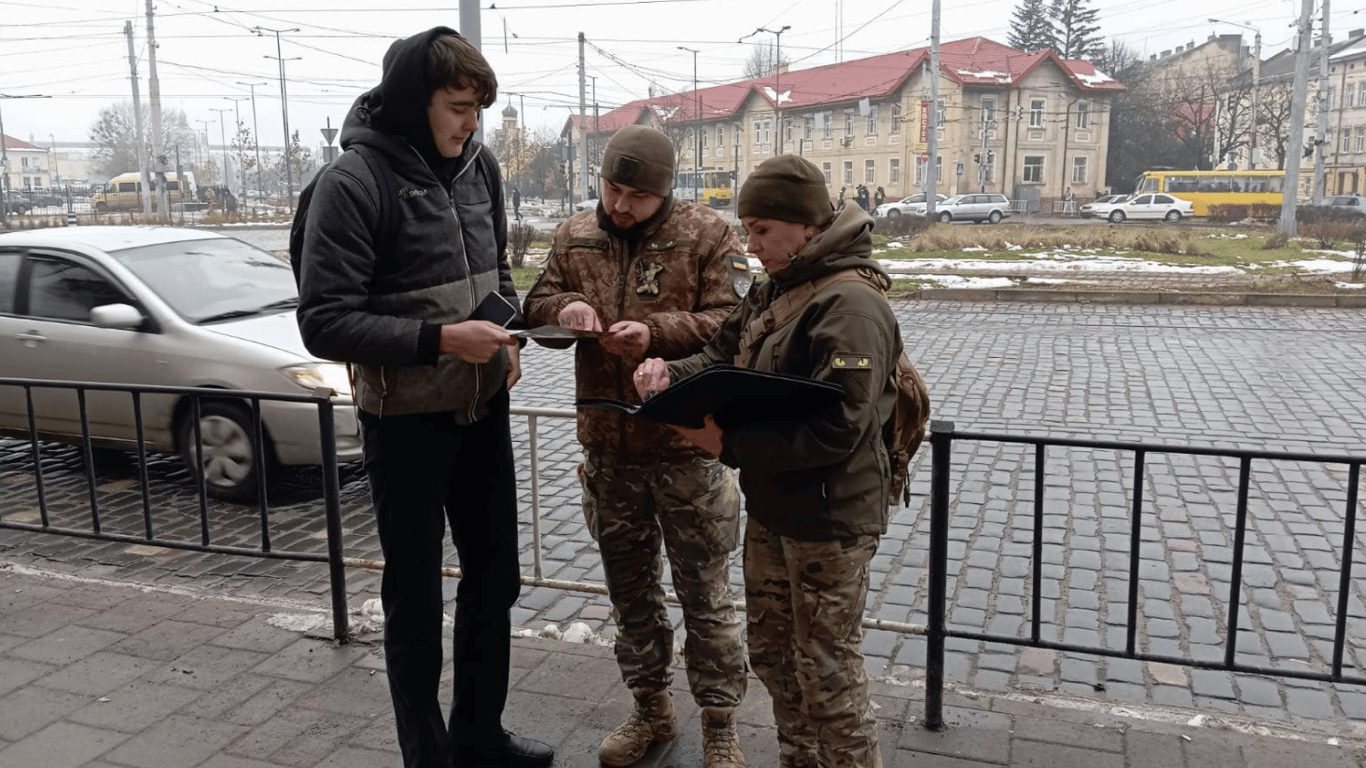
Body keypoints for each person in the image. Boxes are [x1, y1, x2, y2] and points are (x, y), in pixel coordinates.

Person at [295, 27, 553, 768]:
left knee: (495, 577)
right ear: (415, 100)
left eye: (478, 108)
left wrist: (507, 338)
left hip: (482, 408)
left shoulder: (481, 168)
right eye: (457, 106)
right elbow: (323, 321)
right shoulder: (352, 183)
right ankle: (427, 754)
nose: (469, 123)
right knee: (414, 602)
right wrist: (443, 341)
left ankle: (479, 734)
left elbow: (496, 277)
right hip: (403, 422)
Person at [633, 154, 901, 768]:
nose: (749, 245)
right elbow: (721, 357)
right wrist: (666, 377)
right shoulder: (776, 287)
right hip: (775, 506)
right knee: (777, 658)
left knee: (828, 672)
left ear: (806, 225)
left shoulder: (851, 307)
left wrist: (726, 447)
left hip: (832, 520)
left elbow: (840, 428)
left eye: (761, 230)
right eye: (746, 228)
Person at [523, 124, 751, 768]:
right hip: (609, 449)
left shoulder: (708, 234)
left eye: (637, 195)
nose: (620, 205)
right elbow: (535, 304)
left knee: (706, 596)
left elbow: (732, 322)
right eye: (612, 188)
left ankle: (720, 723)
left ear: (665, 193)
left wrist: (655, 334)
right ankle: (650, 711)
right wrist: (563, 309)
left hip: (686, 450)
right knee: (630, 595)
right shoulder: (573, 235)